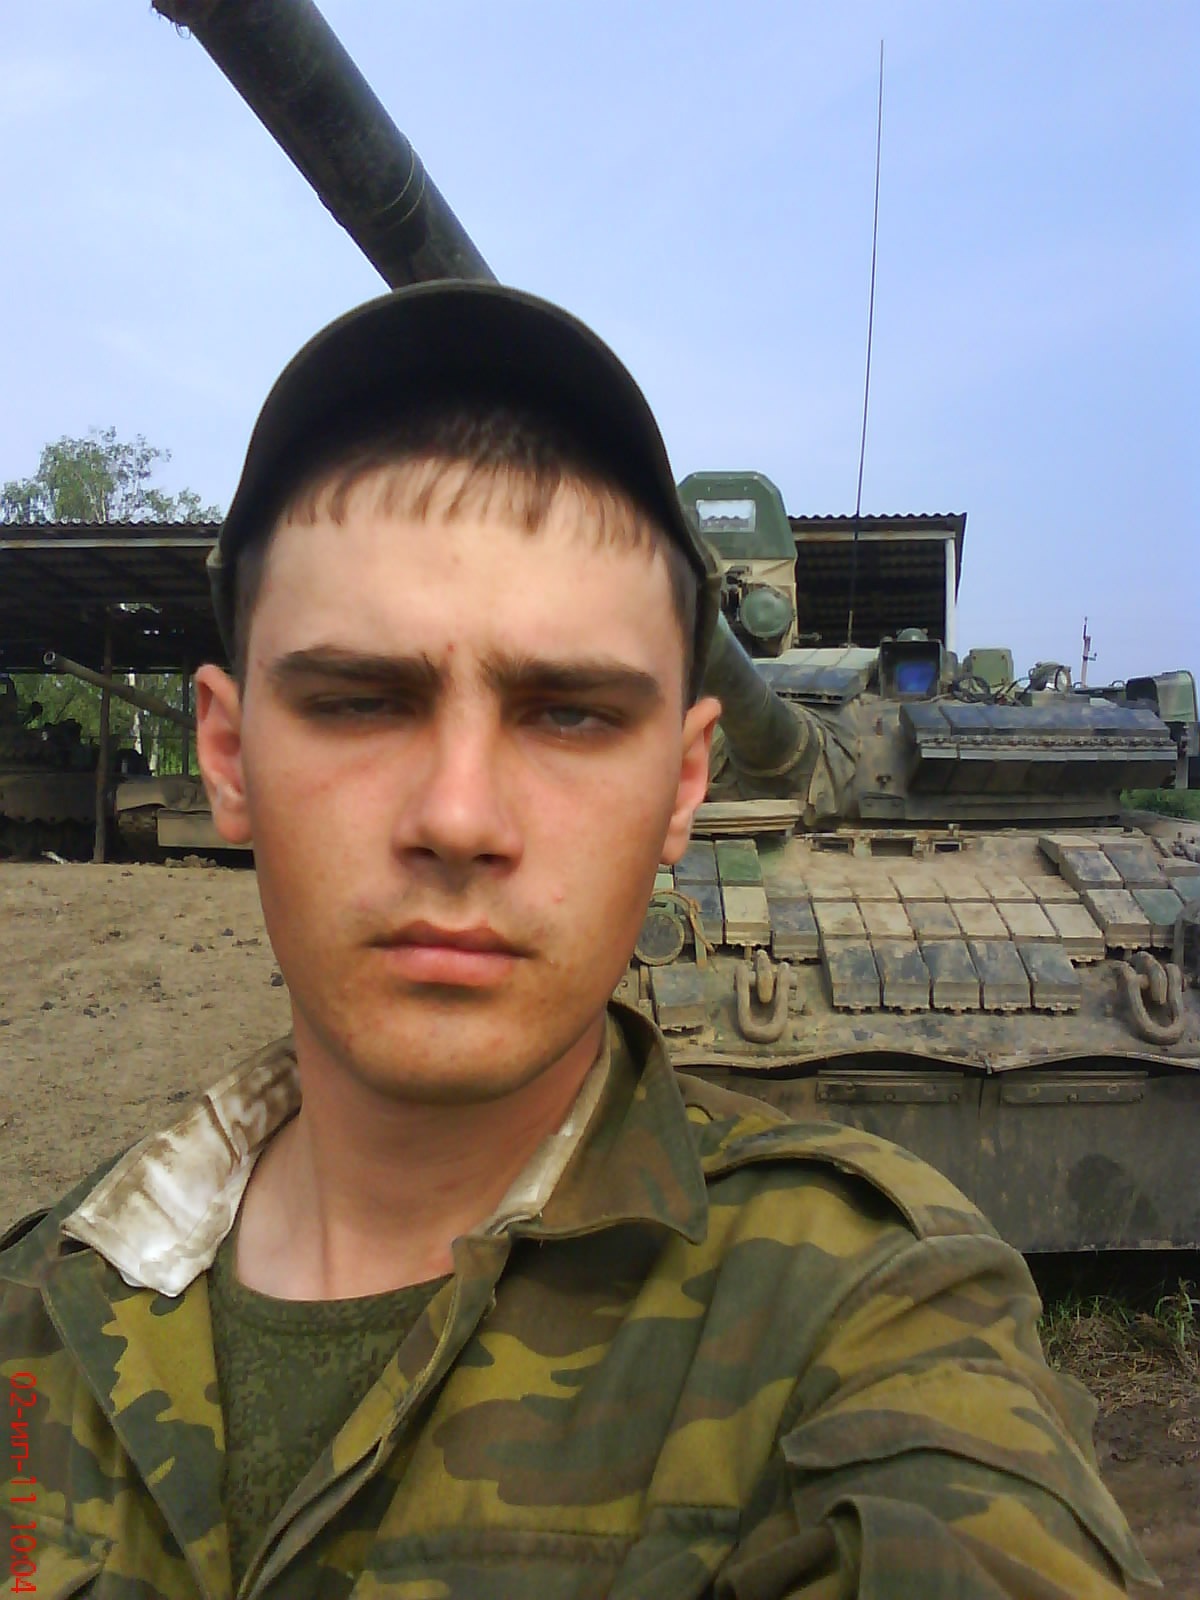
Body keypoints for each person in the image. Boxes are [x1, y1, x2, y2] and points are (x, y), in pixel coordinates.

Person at [0, 283, 1152, 1599]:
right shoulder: (36, 1309)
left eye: (572, 715)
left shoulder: (869, 1316)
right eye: (359, 700)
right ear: (225, 754)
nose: (458, 818)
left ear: (683, 784)